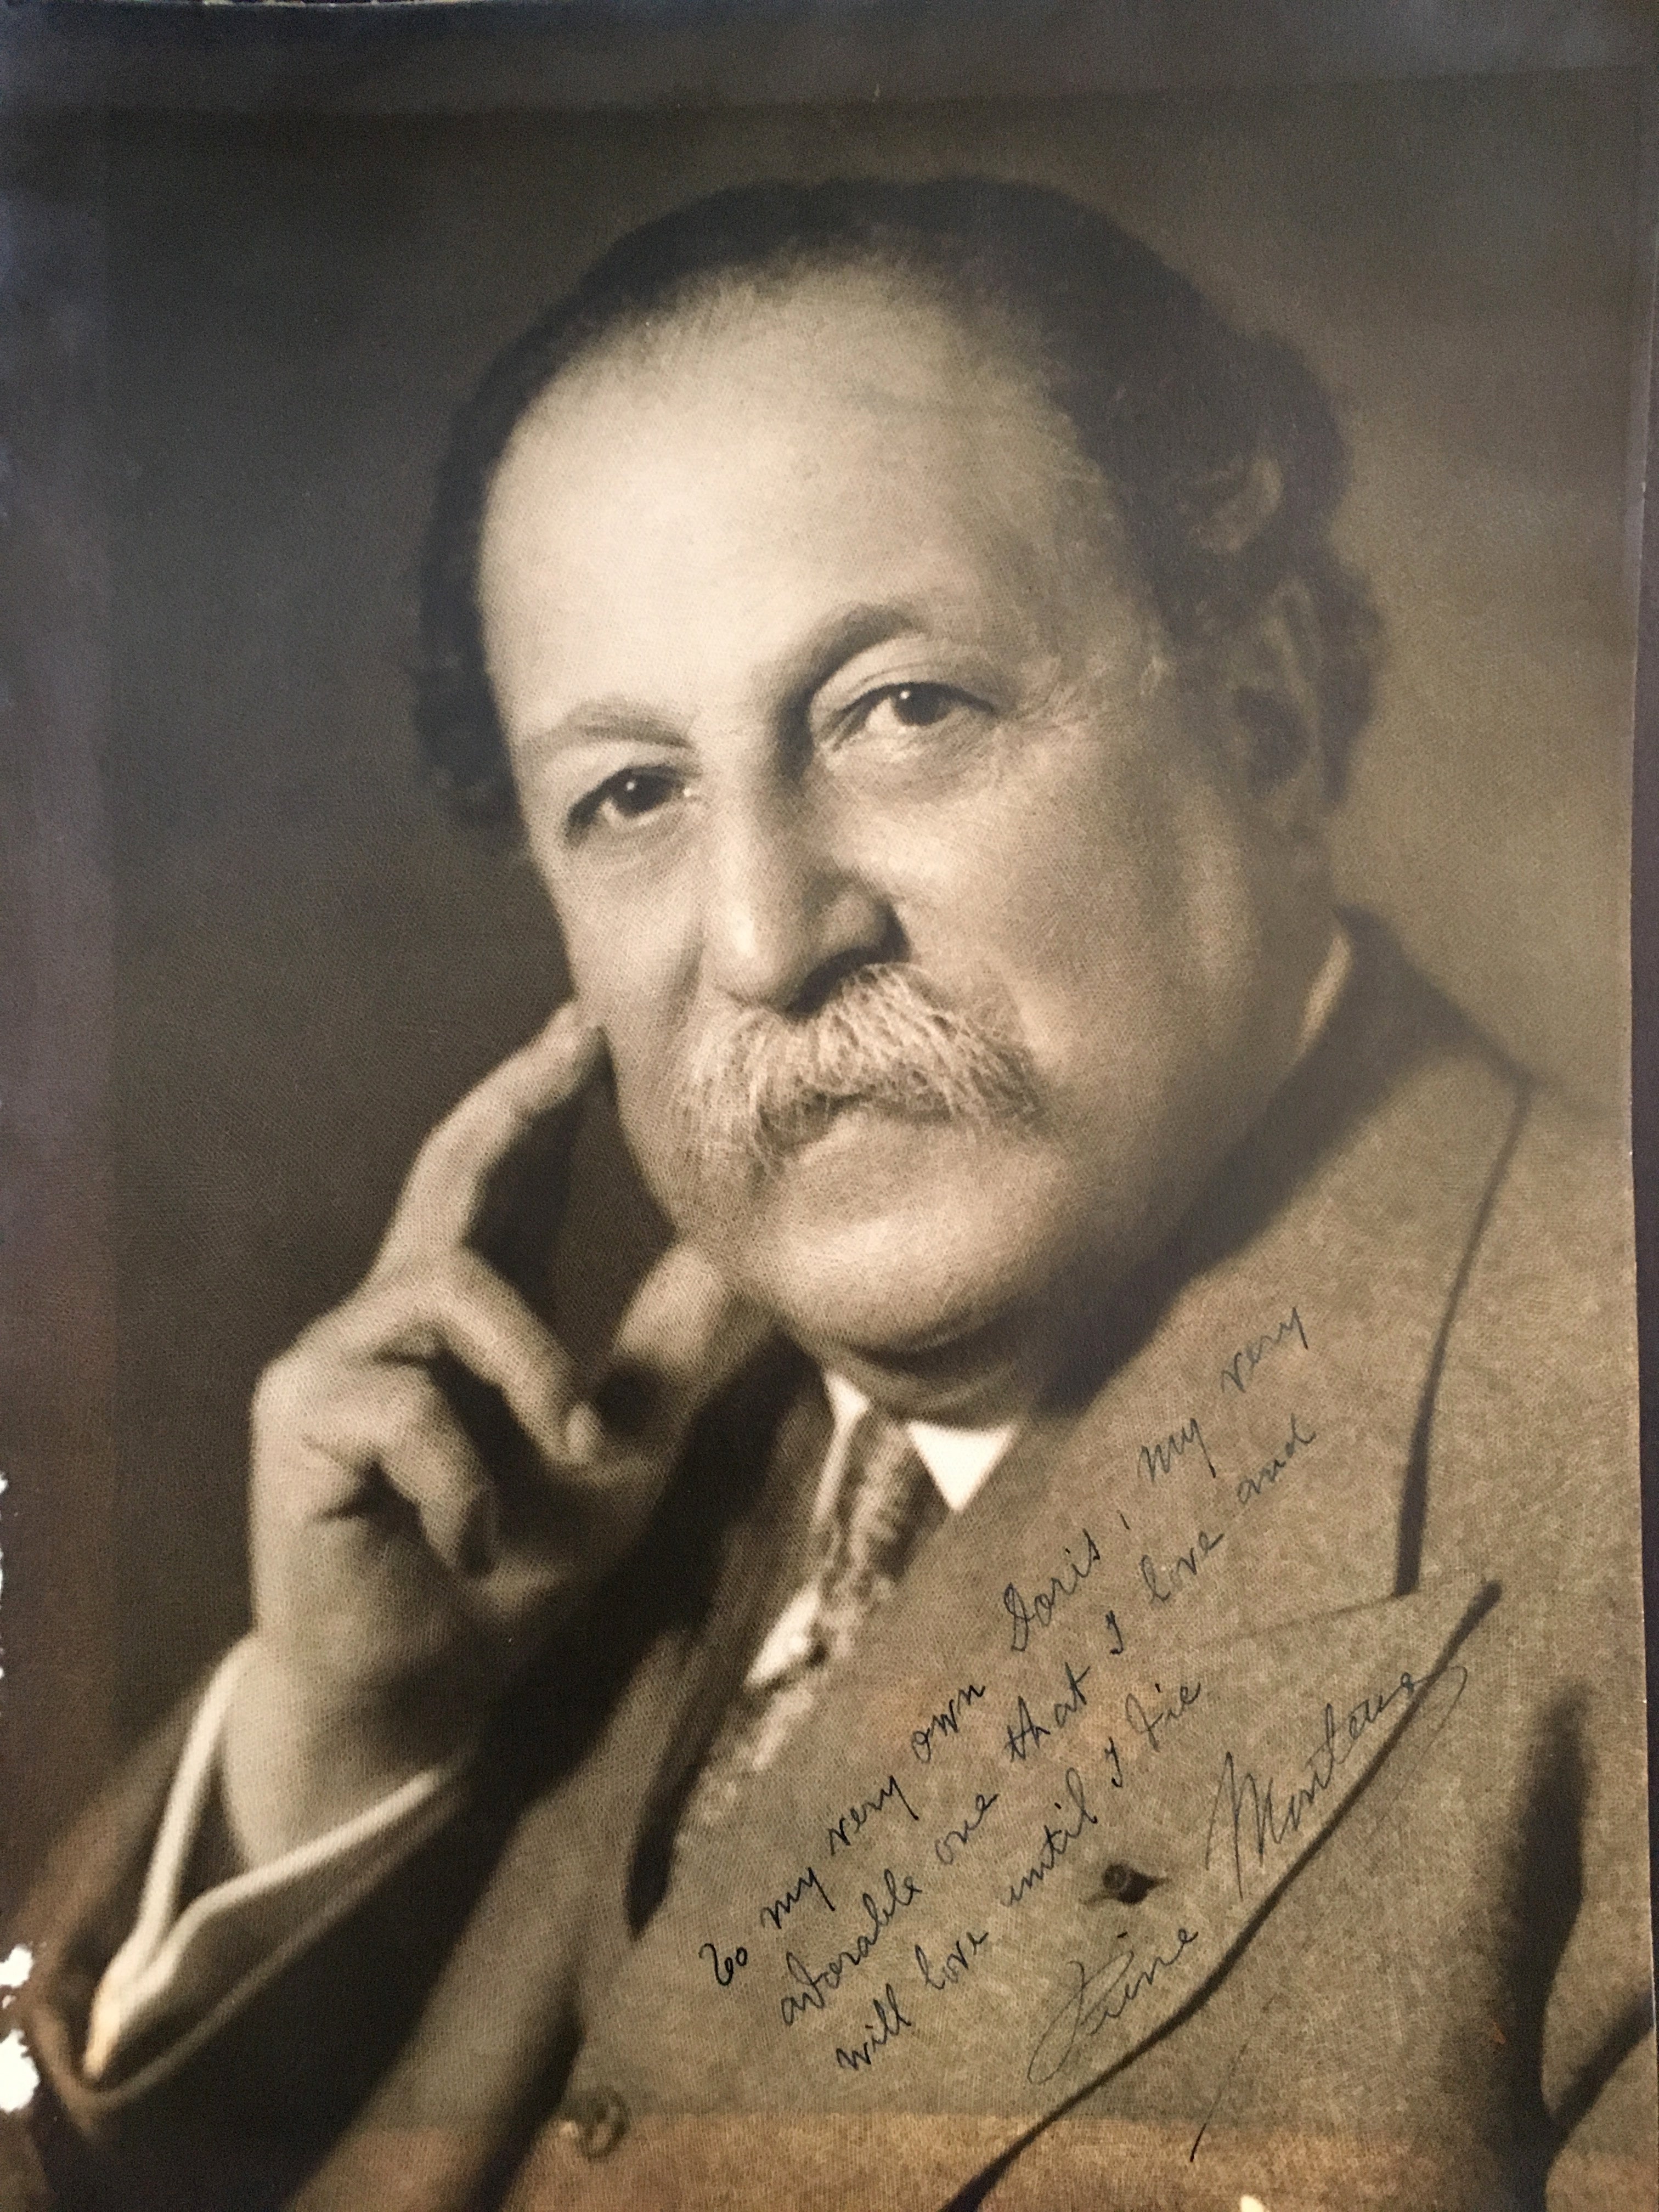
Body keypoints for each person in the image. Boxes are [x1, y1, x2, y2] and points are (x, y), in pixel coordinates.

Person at [11, 178, 1655, 2212]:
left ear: (1265, 716)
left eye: (901, 710)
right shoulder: (580, 1518)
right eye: (630, 793)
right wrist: (346, 1747)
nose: (767, 938)